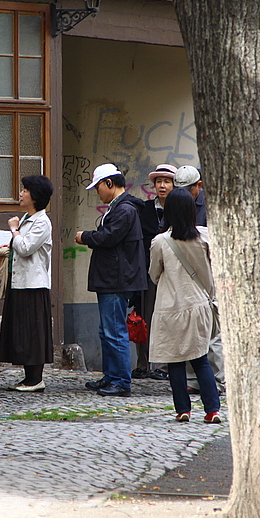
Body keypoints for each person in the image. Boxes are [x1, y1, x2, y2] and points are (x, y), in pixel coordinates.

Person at [148, 188, 222, 424]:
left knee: (175, 361)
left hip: (171, 308)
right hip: (199, 304)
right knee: (201, 358)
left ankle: (183, 410)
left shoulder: (160, 241)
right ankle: (212, 410)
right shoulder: (205, 237)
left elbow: (154, 274)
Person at [75, 163, 146, 398]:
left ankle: (121, 381)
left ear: (109, 183)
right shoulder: (120, 207)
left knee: (114, 331)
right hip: (112, 279)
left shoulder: (125, 209)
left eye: (98, 187)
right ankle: (112, 375)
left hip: (117, 280)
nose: (98, 192)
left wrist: (85, 237)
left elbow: (109, 237)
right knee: (107, 331)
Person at [0, 175, 55, 393]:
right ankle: (28, 377)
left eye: (25, 190)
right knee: (22, 331)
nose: (21, 193)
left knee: (33, 332)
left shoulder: (42, 222)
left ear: (36, 196)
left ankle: (35, 379)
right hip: (20, 282)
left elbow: (24, 247)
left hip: (34, 284)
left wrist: (13, 229)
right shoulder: (27, 218)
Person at [173, 165, 223, 391]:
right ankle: (193, 381)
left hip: (209, 273)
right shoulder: (177, 202)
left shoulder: (210, 206)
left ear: (198, 186)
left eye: (186, 189)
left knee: (213, 331)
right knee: (191, 331)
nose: (181, 193)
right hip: (185, 275)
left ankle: (220, 380)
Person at [133, 163, 176, 382]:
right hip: (148, 271)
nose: (162, 185)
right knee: (145, 315)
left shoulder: (180, 210)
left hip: (173, 273)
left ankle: (167, 366)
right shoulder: (145, 210)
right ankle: (143, 363)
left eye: (166, 181)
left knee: (169, 317)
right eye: (159, 181)